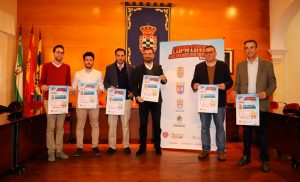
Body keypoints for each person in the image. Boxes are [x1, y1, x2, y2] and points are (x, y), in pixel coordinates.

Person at [232, 40, 276, 172]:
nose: (249, 50)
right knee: (246, 133)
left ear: (256, 48)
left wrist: (266, 93)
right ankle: (246, 156)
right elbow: (237, 84)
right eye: (246, 48)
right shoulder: (240, 65)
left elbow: (273, 83)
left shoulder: (267, 64)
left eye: (252, 47)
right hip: (245, 105)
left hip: (260, 104)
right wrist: (235, 91)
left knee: (262, 134)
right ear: (244, 50)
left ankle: (264, 160)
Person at [191, 45, 233, 161]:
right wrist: (194, 85)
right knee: (204, 127)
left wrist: (225, 85)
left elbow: (230, 81)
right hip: (204, 102)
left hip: (219, 103)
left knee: (220, 127)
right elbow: (194, 81)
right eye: (206, 52)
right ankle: (205, 149)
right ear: (204, 55)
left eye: (211, 52)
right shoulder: (199, 67)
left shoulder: (223, 66)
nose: (208, 54)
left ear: (215, 53)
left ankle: (221, 150)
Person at [132, 47, 167, 156]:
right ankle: (142, 147)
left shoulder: (158, 67)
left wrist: (164, 78)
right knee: (143, 125)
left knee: (157, 125)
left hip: (156, 101)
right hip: (143, 101)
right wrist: (137, 96)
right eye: (145, 54)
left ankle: (157, 146)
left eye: (150, 53)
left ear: (153, 55)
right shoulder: (137, 69)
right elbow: (133, 85)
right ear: (143, 55)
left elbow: (164, 81)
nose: (147, 55)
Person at [40, 44, 71, 162]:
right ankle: (51, 151)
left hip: (62, 100)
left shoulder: (67, 67)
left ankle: (59, 150)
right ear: (54, 53)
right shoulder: (46, 66)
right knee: (50, 127)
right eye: (58, 52)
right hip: (50, 100)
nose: (60, 54)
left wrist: (71, 89)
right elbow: (41, 82)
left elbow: (68, 82)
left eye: (62, 52)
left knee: (60, 127)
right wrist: (42, 86)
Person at [71, 52, 104, 157]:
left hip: (94, 104)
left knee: (95, 125)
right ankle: (79, 147)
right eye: (87, 60)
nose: (89, 62)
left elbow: (102, 87)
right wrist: (74, 91)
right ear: (84, 61)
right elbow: (73, 88)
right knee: (80, 125)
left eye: (90, 60)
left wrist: (101, 90)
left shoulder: (98, 73)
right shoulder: (78, 74)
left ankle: (95, 146)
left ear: (93, 61)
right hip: (81, 104)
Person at [103, 48, 134, 155]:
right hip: (113, 100)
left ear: (125, 56)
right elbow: (105, 83)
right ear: (115, 56)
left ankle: (126, 145)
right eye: (118, 55)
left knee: (125, 124)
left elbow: (135, 84)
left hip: (126, 100)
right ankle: (112, 146)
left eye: (122, 55)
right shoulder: (109, 68)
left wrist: (133, 93)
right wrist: (109, 86)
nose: (120, 57)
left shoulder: (131, 68)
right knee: (112, 124)